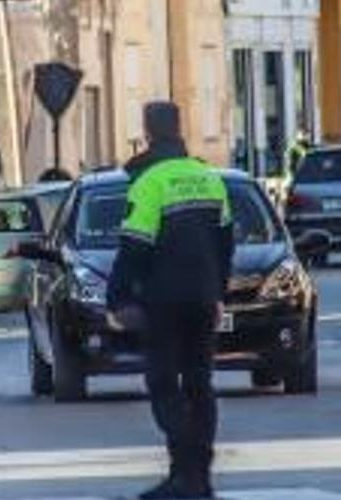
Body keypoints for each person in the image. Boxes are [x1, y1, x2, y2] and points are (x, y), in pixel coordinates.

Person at [106, 102, 234, 499]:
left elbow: (134, 247)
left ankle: (187, 471)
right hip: (202, 297)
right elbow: (225, 243)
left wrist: (117, 298)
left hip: (164, 299)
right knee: (199, 384)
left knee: (162, 382)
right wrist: (217, 292)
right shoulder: (208, 178)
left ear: (147, 132)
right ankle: (197, 479)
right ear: (180, 128)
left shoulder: (149, 183)